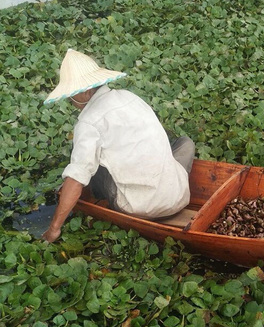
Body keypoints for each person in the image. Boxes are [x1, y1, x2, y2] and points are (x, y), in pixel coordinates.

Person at [42, 49, 195, 243]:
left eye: (73, 94)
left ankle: (105, 198)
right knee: (185, 143)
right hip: (178, 197)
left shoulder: (88, 123)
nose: (71, 101)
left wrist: (54, 229)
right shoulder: (130, 97)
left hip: (138, 207)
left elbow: (76, 178)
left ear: (87, 91)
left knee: (84, 165)